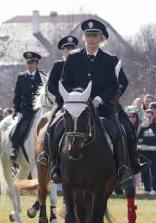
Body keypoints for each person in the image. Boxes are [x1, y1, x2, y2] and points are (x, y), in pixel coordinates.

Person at [50, 18, 132, 185]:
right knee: (53, 128)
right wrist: (75, 97)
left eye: (95, 36)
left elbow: (112, 85)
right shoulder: (73, 58)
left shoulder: (109, 59)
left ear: (101, 39)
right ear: (84, 38)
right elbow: (65, 81)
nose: (91, 39)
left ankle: (122, 168)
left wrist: (98, 99)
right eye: (88, 35)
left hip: (100, 106)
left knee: (119, 129)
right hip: (76, 107)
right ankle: (55, 166)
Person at [37, 36, 77, 167]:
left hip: (79, 104)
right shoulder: (58, 66)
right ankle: (48, 156)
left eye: (72, 48)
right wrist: (62, 95)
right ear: (62, 50)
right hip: (61, 104)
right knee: (51, 126)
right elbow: (50, 85)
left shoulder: (81, 65)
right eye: (67, 48)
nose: (70, 50)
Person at [9, 52, 45, 161]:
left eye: (32, 63)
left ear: (36, 64)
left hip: (39, 109)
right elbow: (17, 95)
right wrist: (16, 109)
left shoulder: (43, 76)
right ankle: (14, 148)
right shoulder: (21, 77)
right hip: (26, 110)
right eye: (28, 63)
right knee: (21, 127)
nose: (29, 65)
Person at [137, 108, 156, 195]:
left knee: (154, 171)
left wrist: (145, 143)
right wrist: (142, 128)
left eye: (150, 116)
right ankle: (146, 189)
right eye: (146, 116)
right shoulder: (142, 126)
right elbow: (138, 138)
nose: (148, 118)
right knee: (144, 170)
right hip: (143, 153)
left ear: (153, 117)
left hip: (153, 152)